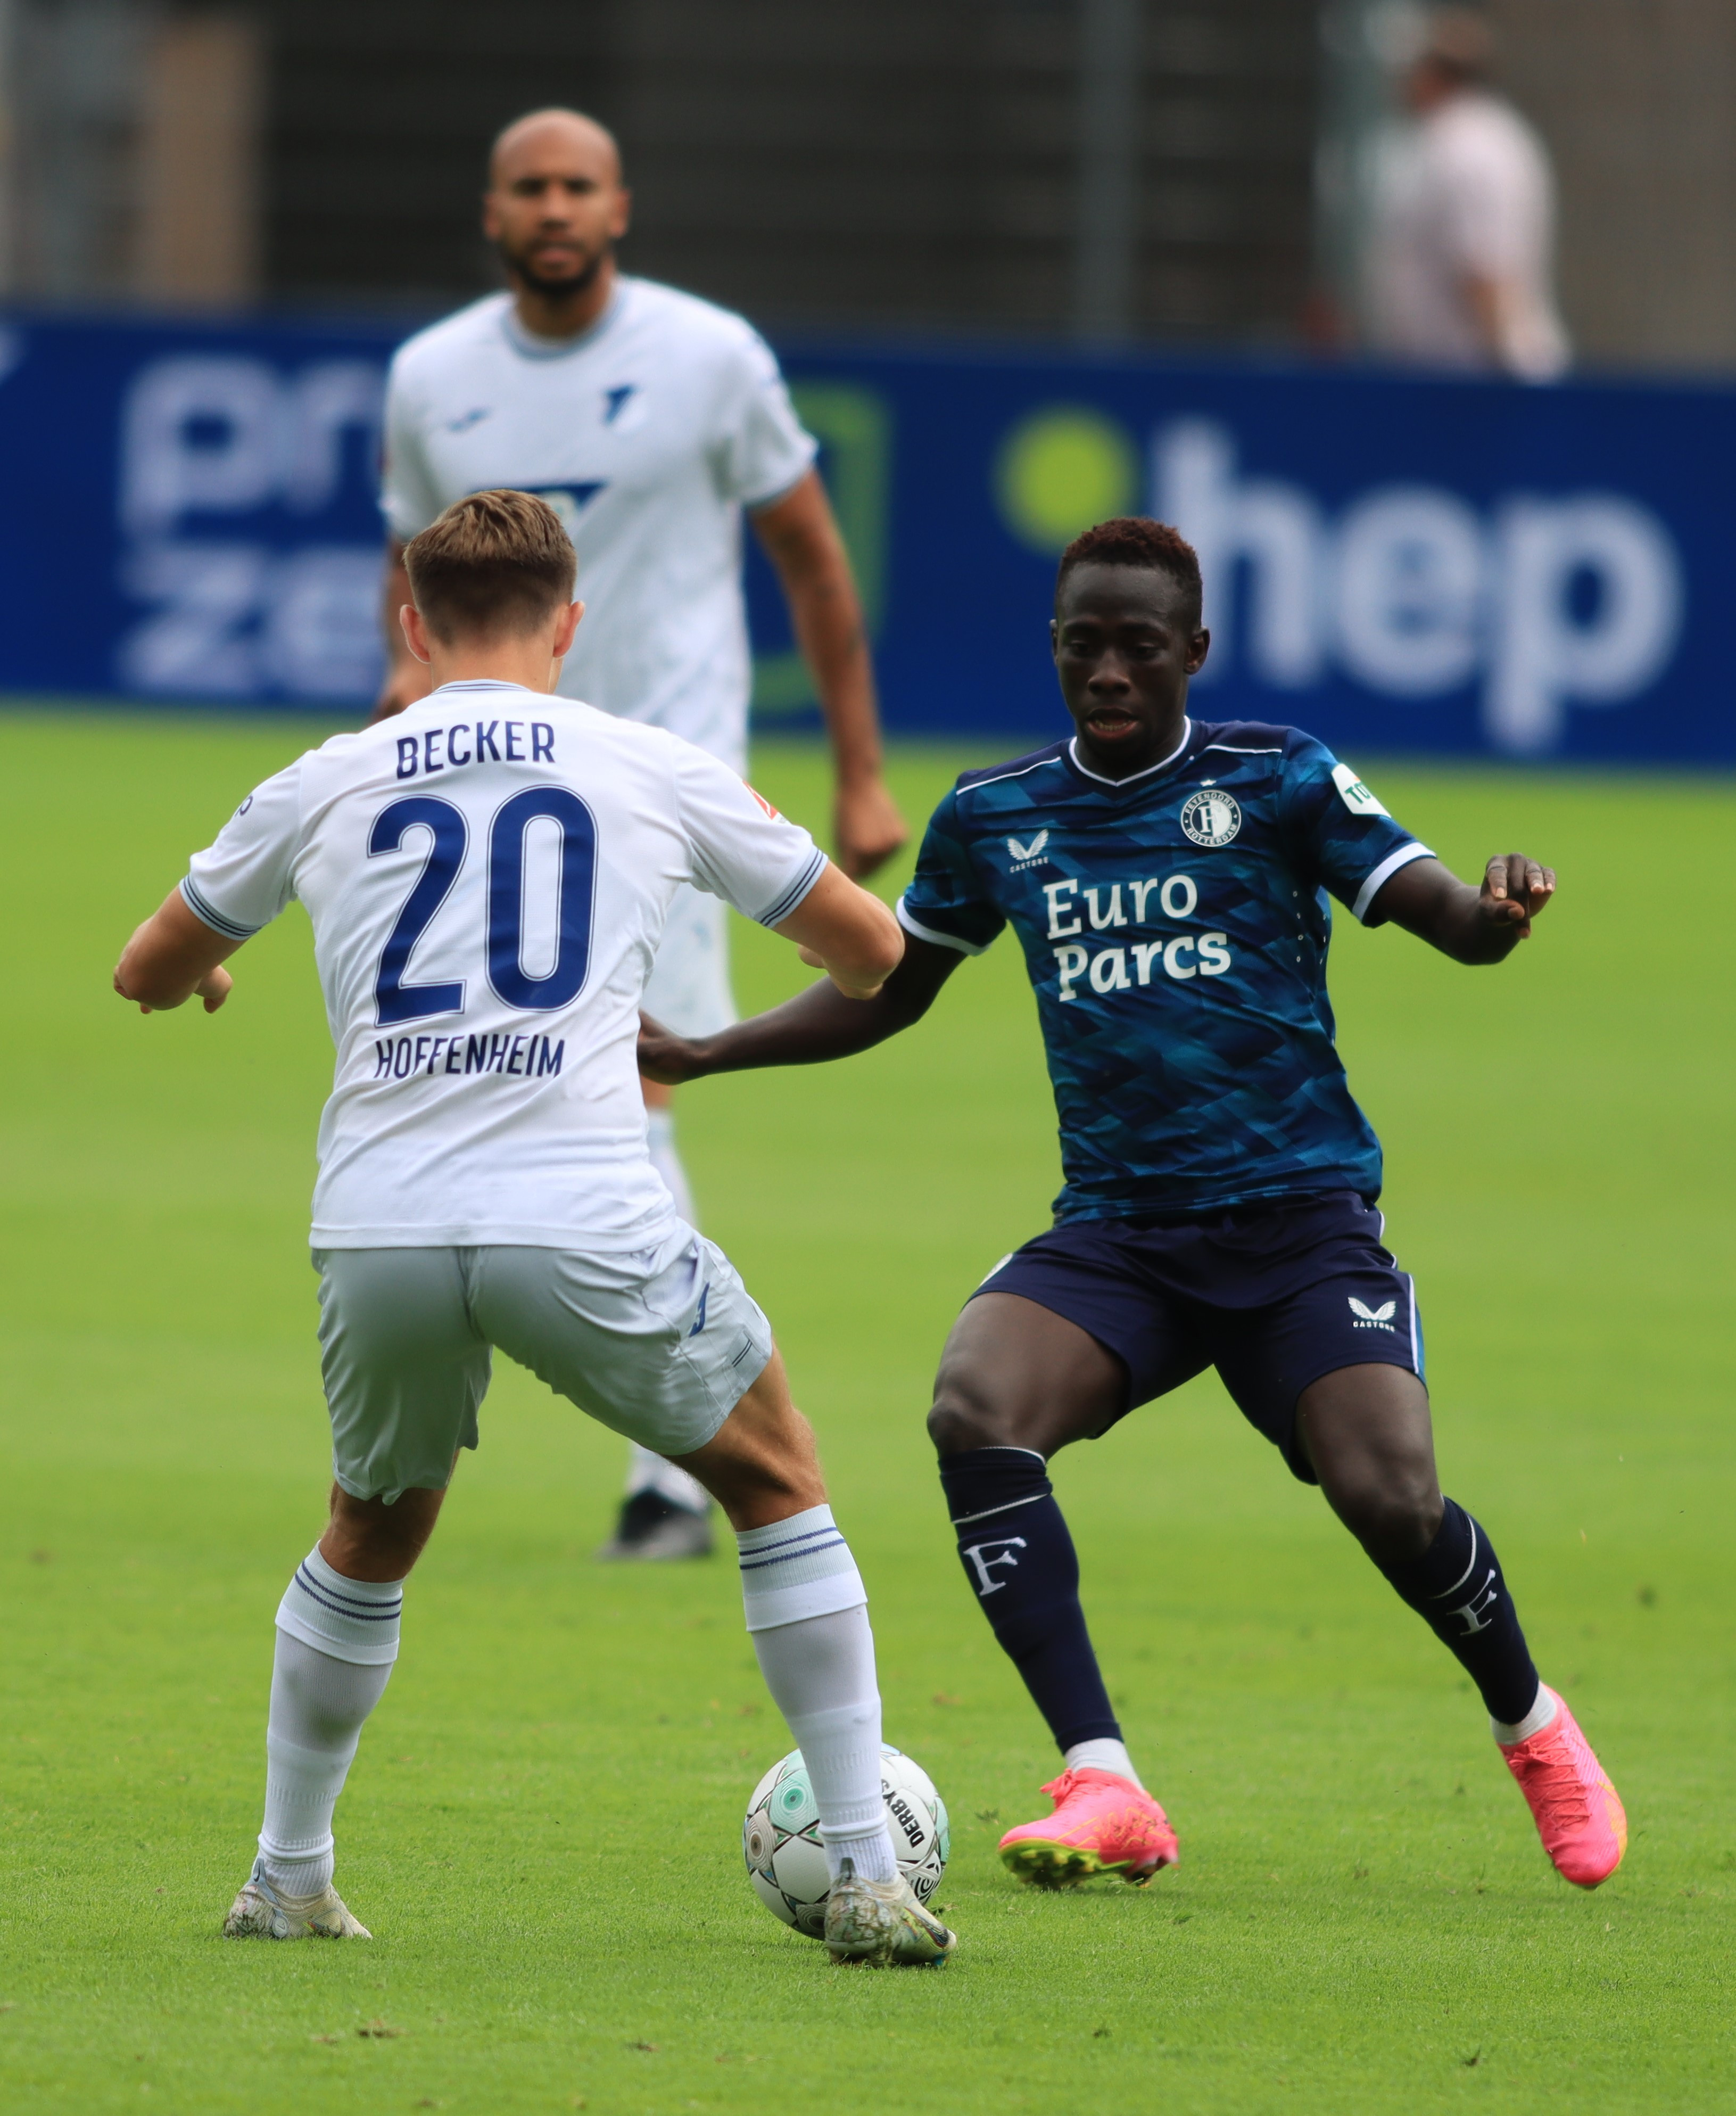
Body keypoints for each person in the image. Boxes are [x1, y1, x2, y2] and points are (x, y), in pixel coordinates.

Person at [639, 514, 1628, 1895]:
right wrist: (706, 1048)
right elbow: (891, 990)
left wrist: (1495, 905)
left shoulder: (1275, 776)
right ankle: (1103, 1776)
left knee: (1390, 1497)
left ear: (1192, 651)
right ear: (1052, 647)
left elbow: (1447, 921)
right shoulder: (994, 814)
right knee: (974, 1406)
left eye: (1139, 646)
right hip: (1121, 1234)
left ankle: (1530, 1725)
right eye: (1083, 645)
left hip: (1297, 1224)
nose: (1108, 671)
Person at [112, 491, 953, 1968]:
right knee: (776, 1477)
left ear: (412, 623)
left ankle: (287, 1873)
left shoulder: (327, 776)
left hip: (377, 1224)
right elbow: (875, 951)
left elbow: (147, 966)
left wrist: (206, 975)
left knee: (369, 1528)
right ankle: (870, 1875)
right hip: (578, 1210)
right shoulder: (645, 762)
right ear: (569, 622)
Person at [375, 106, 907, 1559]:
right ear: (493, 212)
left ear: (618, 208)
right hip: (489, 785)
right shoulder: (430, 375)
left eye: (578, 186)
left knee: (632, 1082)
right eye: (529, 187)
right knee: (503, 1079)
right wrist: (398, 717)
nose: (553, 206)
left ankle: (672, 1473)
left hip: (661, 787)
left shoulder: (711, 356)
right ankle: (524, 1426)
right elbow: (411, 581)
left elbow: (813, 556)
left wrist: (860, 773)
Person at [1366, 7, 1569, 380]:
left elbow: (1485, 271)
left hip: (1478, 382)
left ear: (1433, 74)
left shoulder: (1471, 147)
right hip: (1445, 379)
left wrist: (1502, 381)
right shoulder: (1444, 140)